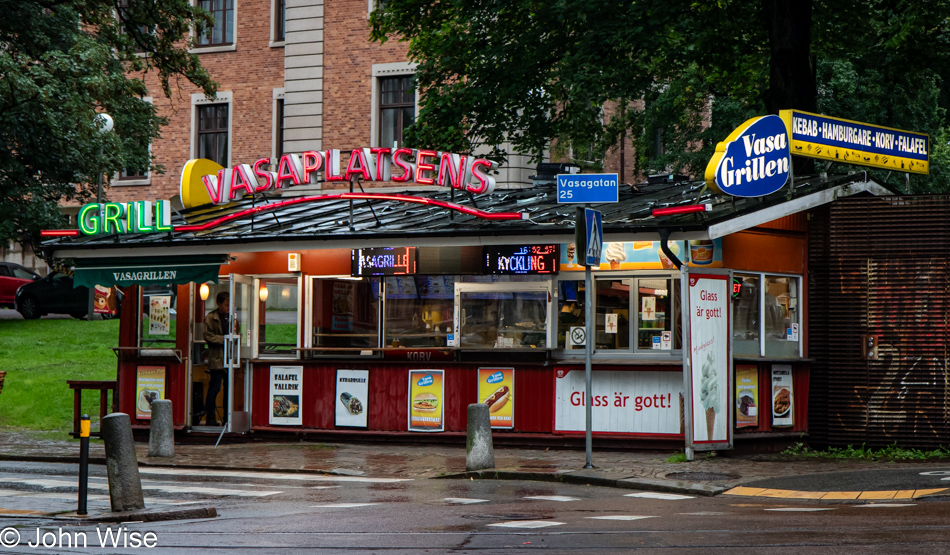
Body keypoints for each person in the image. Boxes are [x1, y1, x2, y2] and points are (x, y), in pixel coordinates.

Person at [201, 291, 232, 426]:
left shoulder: (231, 316)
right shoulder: (211, 317)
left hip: (230, 358)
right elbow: (207, 335)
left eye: (229, 305)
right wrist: (225, 339)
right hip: (217, 358)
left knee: (228, 389)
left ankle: (227, 418)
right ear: (219, 304)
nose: (228, 307)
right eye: (226, 305)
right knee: (215, 388)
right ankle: (210, 417)